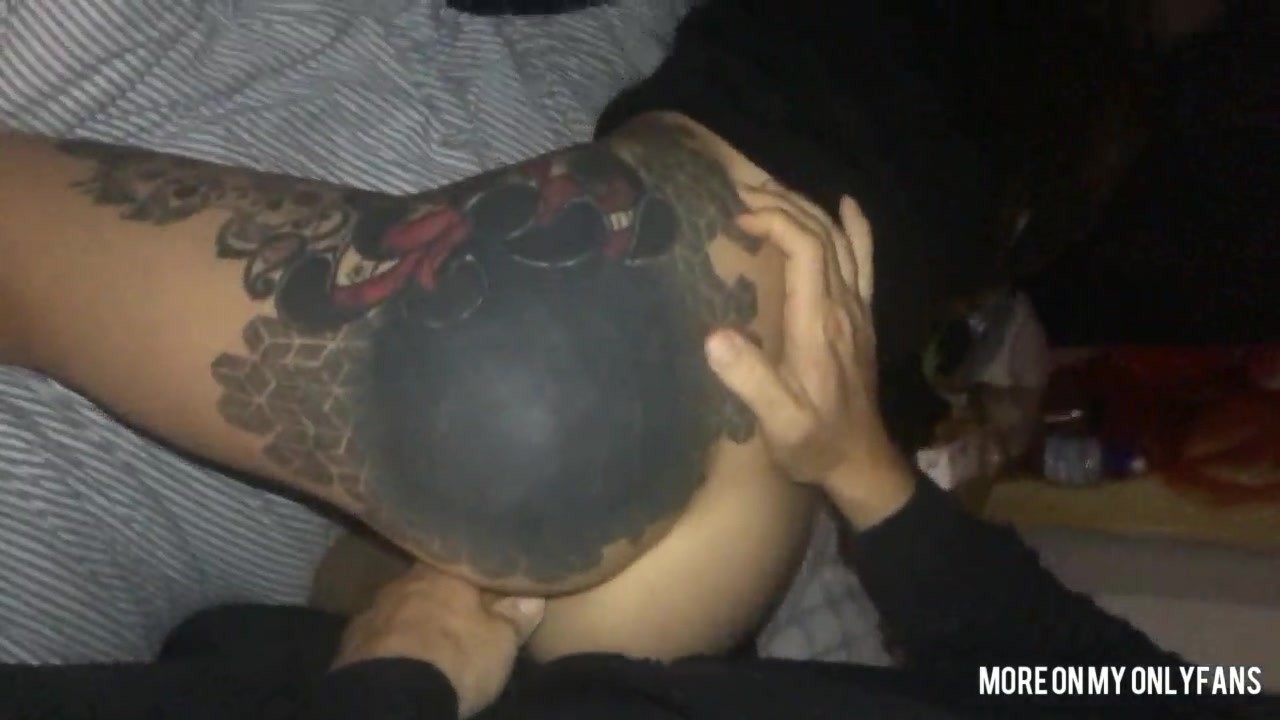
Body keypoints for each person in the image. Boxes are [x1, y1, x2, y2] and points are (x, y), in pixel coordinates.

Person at [4, 186, 1267, 719]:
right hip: (615, 679)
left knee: (516, 361)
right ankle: (332, 574)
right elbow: (1070, 677)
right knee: (603, 383)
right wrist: (863, 471)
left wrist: (396, 689)